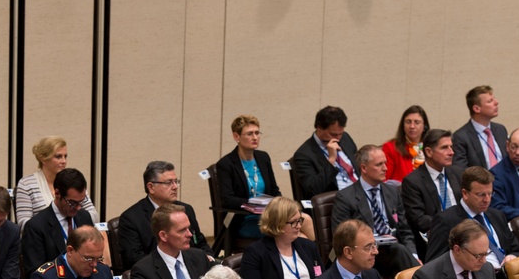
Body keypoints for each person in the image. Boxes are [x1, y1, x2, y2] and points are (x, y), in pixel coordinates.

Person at [333, 145, 420, 276]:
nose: (385, 168)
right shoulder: (346, 197)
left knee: (401, 253)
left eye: (385, 163)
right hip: (365, 253)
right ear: (364, 168)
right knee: (399, 252)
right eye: (379, 165)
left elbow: (404, 230)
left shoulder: (392, 192)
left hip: (392, 250)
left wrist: (413, 255)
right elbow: (340, 236)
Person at [118, 161, 212, 269]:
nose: (175, 186)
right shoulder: (131, 218)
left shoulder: (186, 209)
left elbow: (199, 242)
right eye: (168, 182)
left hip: (192, 268)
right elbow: (134, 258)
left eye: (176, 181)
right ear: (151, 187)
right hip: (157, 274)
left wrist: (208, 257)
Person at [425, 166, 519, 268]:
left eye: (490, 194)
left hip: (507, 274)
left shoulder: (497, 215)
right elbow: (433, 265)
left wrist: (512, 256)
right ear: (465, 193)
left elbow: (517, 250)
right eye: (481, 195)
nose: (487, 200)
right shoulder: (446, 221)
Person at [129, 204, 215, 279]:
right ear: (163, 236)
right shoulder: (143, 271)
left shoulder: (199, 257)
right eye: (182, 230)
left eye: (188, 228)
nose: (189, 234)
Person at [215, 114, 283, 243]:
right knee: (289, 230)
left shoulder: (263, 158)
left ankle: (313, 261)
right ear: (236, 136)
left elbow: (274, 190)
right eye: (249, 134)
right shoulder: (226, 164)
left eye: (257, 133)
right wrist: (254, 204)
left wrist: (279, 204)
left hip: (268, 215)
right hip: (244, 219)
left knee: (301, 221)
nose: (255, 137)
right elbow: (227, 199)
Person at [20, 168, 94, 279]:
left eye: (81, 202)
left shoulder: (84, 217)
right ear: (57, 194)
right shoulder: (36, 226)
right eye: (72, 203)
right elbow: (35, 273)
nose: (78, 207)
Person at [14, 136, 98, 227]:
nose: (64, 161)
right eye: (58, 157)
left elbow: (94, 216)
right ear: (43, 159)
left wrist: (71, 222)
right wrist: (57, 226)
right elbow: (24, 223)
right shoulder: (26, 184)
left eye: (65, 156)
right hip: (43, 239)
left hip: (75, 235)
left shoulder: (73, 180)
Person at [402, 129, 464, 246]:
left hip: (465, 233)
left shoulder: (458, 173)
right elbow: (418, 219)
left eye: (451, 147)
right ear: (429, 152)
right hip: (436, 237)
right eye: (444, 148)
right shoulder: (413, 182)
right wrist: (450, 223)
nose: (451, 152)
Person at [290, 105, 359, 199]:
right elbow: (313, 190)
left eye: (341, 133)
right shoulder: (304, 155)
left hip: (360, 193)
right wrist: (331, 160)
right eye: (333, 134)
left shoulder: (345, 138)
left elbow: (358, 166)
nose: (338, 138)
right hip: (338, 201)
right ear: (319, 128)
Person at [452, 85, 508, 170]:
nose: (496, 102)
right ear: (477, 108)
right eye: (490, 101)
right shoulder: (461, 137)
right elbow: (460, 170)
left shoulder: (501, 129)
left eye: (494, 99)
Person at [382, 105, 429, 182]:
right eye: (408, 122)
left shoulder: (431, 148)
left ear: (425, 126)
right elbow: (384, 181)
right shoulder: (390, 147)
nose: (412, 126)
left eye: (417, 122)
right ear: (403, 125)